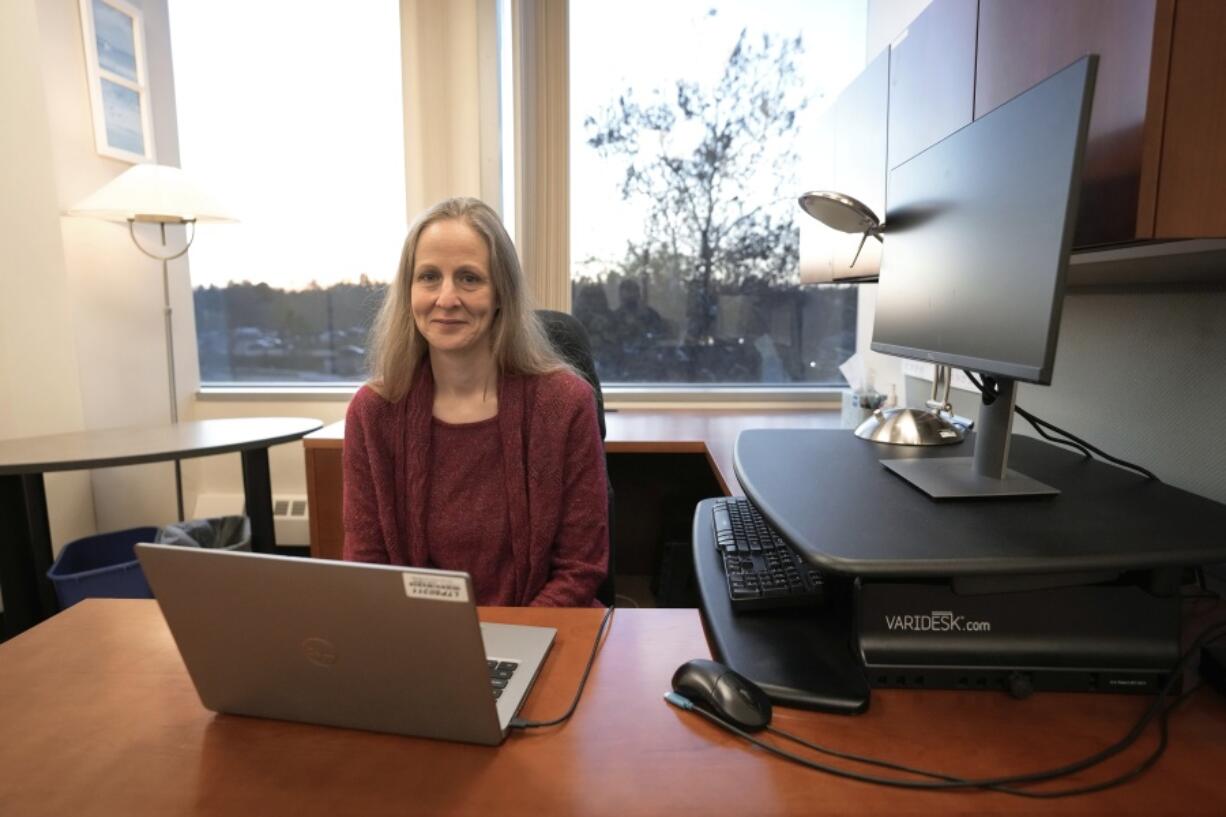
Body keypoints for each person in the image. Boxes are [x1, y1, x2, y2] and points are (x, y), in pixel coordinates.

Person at [343, 197, 608, 607]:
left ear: (501, 292)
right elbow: (368, 567)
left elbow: (579, 569)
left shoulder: (564, 404)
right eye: (429, 277)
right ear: (409, 291)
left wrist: (511, 645)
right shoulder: (373, 412)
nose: (446, 298)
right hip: (426, 640)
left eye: (469, 278)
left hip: (545, 632)